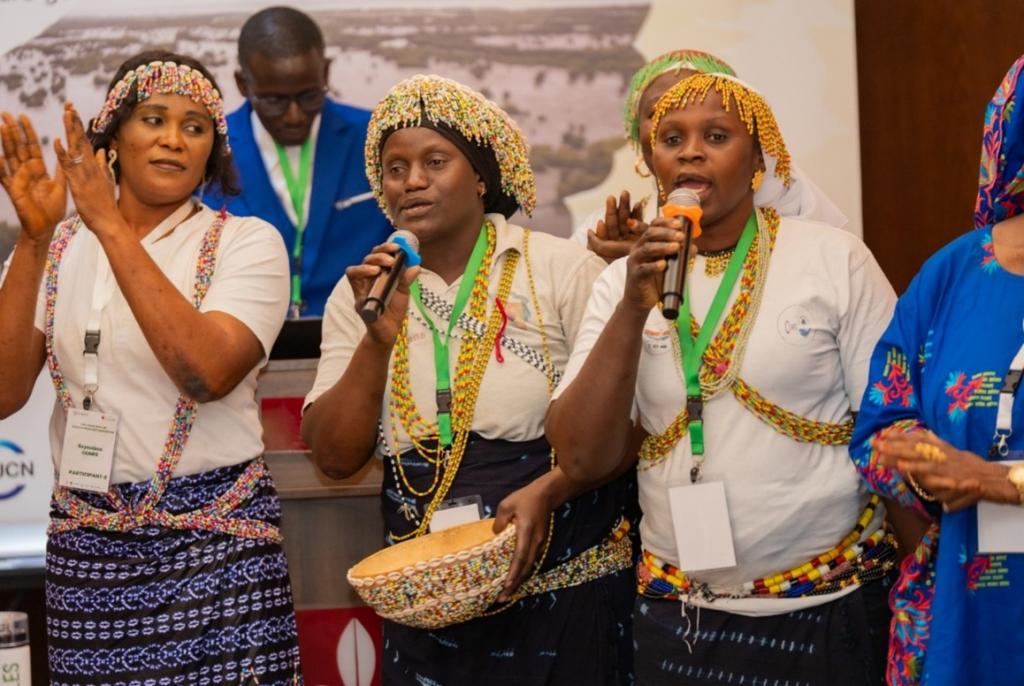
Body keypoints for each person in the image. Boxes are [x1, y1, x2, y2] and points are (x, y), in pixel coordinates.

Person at [547, 72, 897, 684]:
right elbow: (578, 455)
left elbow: (893, 425)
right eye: (671, 139)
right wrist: (633, 305)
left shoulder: (833, 259)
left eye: (716, 135)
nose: (690, 152)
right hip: (679, 620)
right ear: (653, 163)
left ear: (760, 158)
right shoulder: (622, 282)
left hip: (828, 607)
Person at [302, 74, 635, 685]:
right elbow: (334, 455)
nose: (412, 181)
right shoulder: (364, 295)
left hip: (564, 591)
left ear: (481, 175)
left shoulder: (558, 268)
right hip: (428, 604)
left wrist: (551, 490)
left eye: (435, 161)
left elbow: (630, 427)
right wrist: (377, 340)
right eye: (394, 168)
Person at [0, 51, 299, 683]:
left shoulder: (245, 245)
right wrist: (32, 241)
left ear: (212, 149)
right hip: (88, 554)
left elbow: (205, 373)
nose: (172, 139)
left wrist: (107, 224)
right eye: (153, 119)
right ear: (113, 137)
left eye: (194, 127)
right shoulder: (54, 250)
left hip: (218, 553)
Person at [850, 54, 1024, 686]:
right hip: (963, 610)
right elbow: (880, 424)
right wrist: (926, 468)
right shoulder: (953, 272)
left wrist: (1002, 481)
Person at [573, 49, 847, 262]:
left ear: (754, 149)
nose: (691, 150)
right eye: (661, 115)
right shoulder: (597, 233)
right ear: (637, 133)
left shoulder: (814, 247)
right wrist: (611, 270)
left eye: (715, 134)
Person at [205, 6, 392, 317]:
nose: (294, 116)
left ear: (326, 73)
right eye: (274, 100)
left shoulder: (378, 137)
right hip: (243, 343)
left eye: (309, 97)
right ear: (242, 84)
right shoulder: (209, 150)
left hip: (359, 334)